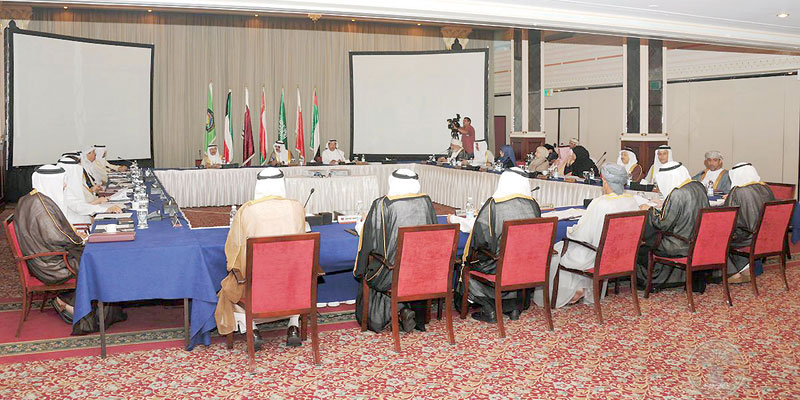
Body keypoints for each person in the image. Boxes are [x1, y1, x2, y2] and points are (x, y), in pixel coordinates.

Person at [15, 165, 126, 334]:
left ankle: (71, 301)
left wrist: (76, 235)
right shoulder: (41, 205)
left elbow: (55, 232)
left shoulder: (34, 198)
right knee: (99, 263)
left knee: (97, 256)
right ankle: (71, 303)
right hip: (51, 265)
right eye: (62, 182)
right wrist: (80, 238)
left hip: (44, 257)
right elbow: (56, 236)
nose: (65, 185)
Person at [215, 167, 307, 347]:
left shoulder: (248, 210)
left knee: (231, 287)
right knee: (293, 276)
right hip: (291, 286)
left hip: (258, 286)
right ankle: (293, 325)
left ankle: (252, 328)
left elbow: (234, 250)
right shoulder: (297, 207)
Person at [534, 163, 639, 308]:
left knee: (558, 248)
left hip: (598, 257)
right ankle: (583, 288)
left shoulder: (600, 203)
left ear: (605, 181)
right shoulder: (632, 201)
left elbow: (582, 234)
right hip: (622, 256)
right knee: (579, 249)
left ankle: (570, 293)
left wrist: (570, 230)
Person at [354, 169, 437, 333]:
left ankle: (399, 311)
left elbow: (371, 239)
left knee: (374, 270)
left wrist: (360, 269)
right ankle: (409, 314)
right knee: (405, 269)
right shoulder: (426, 202)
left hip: (392, 274)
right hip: (423, 272)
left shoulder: (382, 204)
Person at [459, 167, 541, 322]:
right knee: (507, 264)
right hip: (525, 266)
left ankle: (490, 308)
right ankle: (513, 307)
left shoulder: (494, 205)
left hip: (498, 266)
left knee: (469, 265)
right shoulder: (533, 206)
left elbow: (481, 239)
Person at [637, 161, 710, 292]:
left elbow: (662, 223)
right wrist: (665, 204)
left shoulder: (677, 193)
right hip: (697, 241)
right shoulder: (698, 186)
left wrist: (649, 209)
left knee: (642, 248)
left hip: (679, 244)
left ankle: (652, 281)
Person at [724, 162, 775, 284]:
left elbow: (728, 217)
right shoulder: (766, 188)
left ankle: (733, 274)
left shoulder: (737, 192)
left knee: (717, 235)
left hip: (747, 238)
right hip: (766, 236)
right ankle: (746, 270)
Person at [57, 155, 121, 225]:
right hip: (80, 226)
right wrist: (105, 209)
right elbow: (79, 207)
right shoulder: (63, 190)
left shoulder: (72, 186)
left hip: (86, 221)